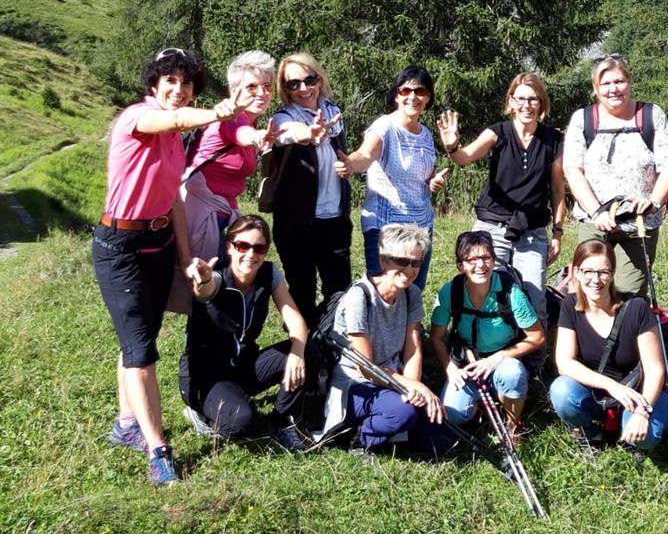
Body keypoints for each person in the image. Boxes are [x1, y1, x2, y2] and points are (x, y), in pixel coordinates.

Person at [95, 47, 247, 484]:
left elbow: (175, 204)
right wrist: (219, 112)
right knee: (142, 350)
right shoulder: (137, 118)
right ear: (154, 86)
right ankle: (158, 449)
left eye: (186, 83)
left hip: (158, 239)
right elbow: (178, 119)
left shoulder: (174, 143)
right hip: (121, 243)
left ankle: (126, 423)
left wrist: (184, 259)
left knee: (141, 333)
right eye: (170, 82)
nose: (178, 91)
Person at [435, 72, 566, 325]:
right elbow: (464, 157)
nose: (527, 105)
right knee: (486, 293)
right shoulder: (498, 133)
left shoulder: (553, 140)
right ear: (511, 101)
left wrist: (558, 233)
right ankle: (484, 351)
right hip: (492, 228)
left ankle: (532, 362)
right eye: (521, 99)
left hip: (532, 232)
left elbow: (558, 190)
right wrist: (452, 147)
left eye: (534, 99)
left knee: (535, 300)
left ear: (542, 103)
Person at [179, 215, 317, 452]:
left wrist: (297, 352)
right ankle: (199, 410)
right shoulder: (219, 276)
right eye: (242, 245)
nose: (251, 254)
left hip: (243, 366)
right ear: (229, 247)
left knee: (309, 349)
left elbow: (296, 321)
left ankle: (282, 422)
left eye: (259, 247)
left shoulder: (269, 275)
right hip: (206, 376)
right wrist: (202, 281)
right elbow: (205, 290)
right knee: (242, 423)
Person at [317, 224, 454, 455]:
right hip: (356, 383)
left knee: (442, 442)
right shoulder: (359, 297)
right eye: (401, 261)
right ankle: (360, 438)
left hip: (394, 376)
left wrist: (412, 391)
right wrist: (413, 386)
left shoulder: (412, 294)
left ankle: (393, 427)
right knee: (402, 413)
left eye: (416, 263)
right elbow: (366, 368)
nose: (409, 270)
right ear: (383, 261)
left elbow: (413, 349)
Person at [168, 50, 279, 314]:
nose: (262, 93)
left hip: (221, 211)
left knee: (213, 288)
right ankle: (198, 352)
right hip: (202, 213)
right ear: (233, 89)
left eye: (267, 86)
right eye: (252, 86)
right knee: (206, 291)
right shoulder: (231, 120)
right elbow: (241, 134)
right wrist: (257, 137)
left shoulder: (249, 119)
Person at [562, 55, 668, 298]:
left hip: (638, 222)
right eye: (605, 84)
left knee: (631, 292)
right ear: (596, 89)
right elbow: (572, 170)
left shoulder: (651, 114)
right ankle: (591, 335)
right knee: (590, 289)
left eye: (619, 81)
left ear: (629, 82)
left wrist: (654, 202)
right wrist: (597, 211)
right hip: (594, 220)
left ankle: (625, 334)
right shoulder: (582, 120)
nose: (613, 89)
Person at [550, 239, 668, 455]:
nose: (595, 280)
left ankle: (632, 433)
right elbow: (564, 363)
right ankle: (591, 433)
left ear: (613, 273)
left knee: (648, 438)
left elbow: (655, 370)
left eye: (603, 272)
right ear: (576, 272)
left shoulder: (636, 308)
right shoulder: (570, 305)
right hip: (600, 392)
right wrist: (611, 386)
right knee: (561, 390)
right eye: (588, 271)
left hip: (638, 393)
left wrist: (642, 413)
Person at [428, 231, 546, 442]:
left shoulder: (511, 293)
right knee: (454, 415)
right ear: (460, 266)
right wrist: (450, 368)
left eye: (486, 258)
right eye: (471, 260)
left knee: (512, 374)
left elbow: (537, 338)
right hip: (467, 363)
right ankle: (485, 403)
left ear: (493, 260)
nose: (480, 265)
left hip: (503, 360)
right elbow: (436, 338)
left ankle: (512, 424)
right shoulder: (450, 291)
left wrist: (498, 358)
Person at [338, 65, 448, 291]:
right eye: (405, 91)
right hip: (386, 229)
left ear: (428, 98)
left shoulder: (426, 134)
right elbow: (366, 154)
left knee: (413, 294)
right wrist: (351, 163)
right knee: (384, 297)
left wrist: (432, 182)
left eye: (420, 91)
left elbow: (420, 178)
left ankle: (411, 328)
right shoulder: (385, 127)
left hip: (421, 228)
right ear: (396, 96)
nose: (413, 97)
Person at [268, 52, 351, 328]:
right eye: (293, 84)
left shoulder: (333, 114)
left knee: (339, 291)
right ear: (285, 88)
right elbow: (286, 133)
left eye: (309, 79)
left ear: (319, 78)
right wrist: (308, 133)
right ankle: (301, 354)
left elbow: (343, 157)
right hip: (297, 223)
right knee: (301, 290)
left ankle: (333, 350)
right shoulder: (284, 117)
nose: (303, 89)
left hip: (335, 219)